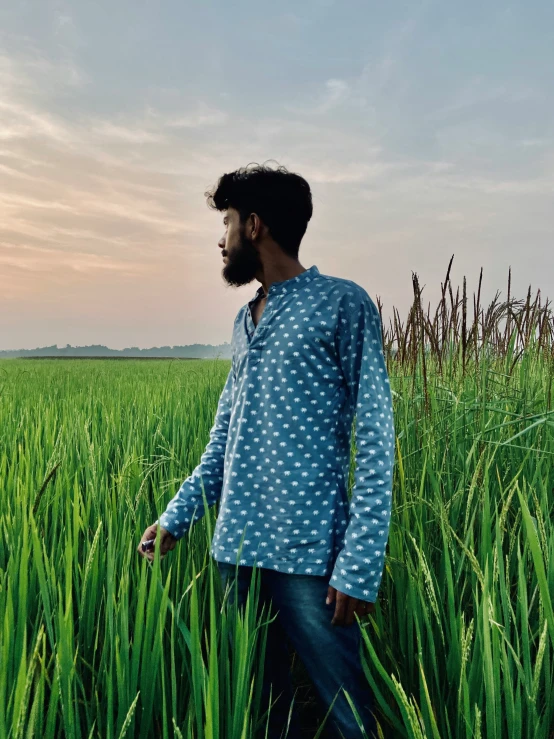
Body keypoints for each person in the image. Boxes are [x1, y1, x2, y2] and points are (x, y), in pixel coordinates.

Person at [138, 162, 395, 738]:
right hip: (237, 554)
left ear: (254, 226)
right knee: (262, 712)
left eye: (226, 221)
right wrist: (175, 519)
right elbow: (224, 440)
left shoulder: (342, 305)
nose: (220, 237)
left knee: (347, 717)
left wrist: (360, 563)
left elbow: (377, 438)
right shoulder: (244, 319)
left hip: (310, 556)